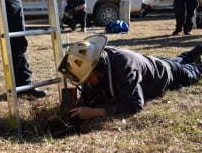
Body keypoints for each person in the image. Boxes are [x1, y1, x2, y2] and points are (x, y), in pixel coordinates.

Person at [58, 35, 202, 121]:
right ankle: (195, 51)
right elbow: (94, 87)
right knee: (181, 60)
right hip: (155, 63)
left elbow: (134, 104)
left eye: (87, 80)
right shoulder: (95, 60)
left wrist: (94, 112)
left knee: (193, 71)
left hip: (165, 75)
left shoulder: (124, 68)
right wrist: (83, 99)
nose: (87, 84)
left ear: (97, 71)